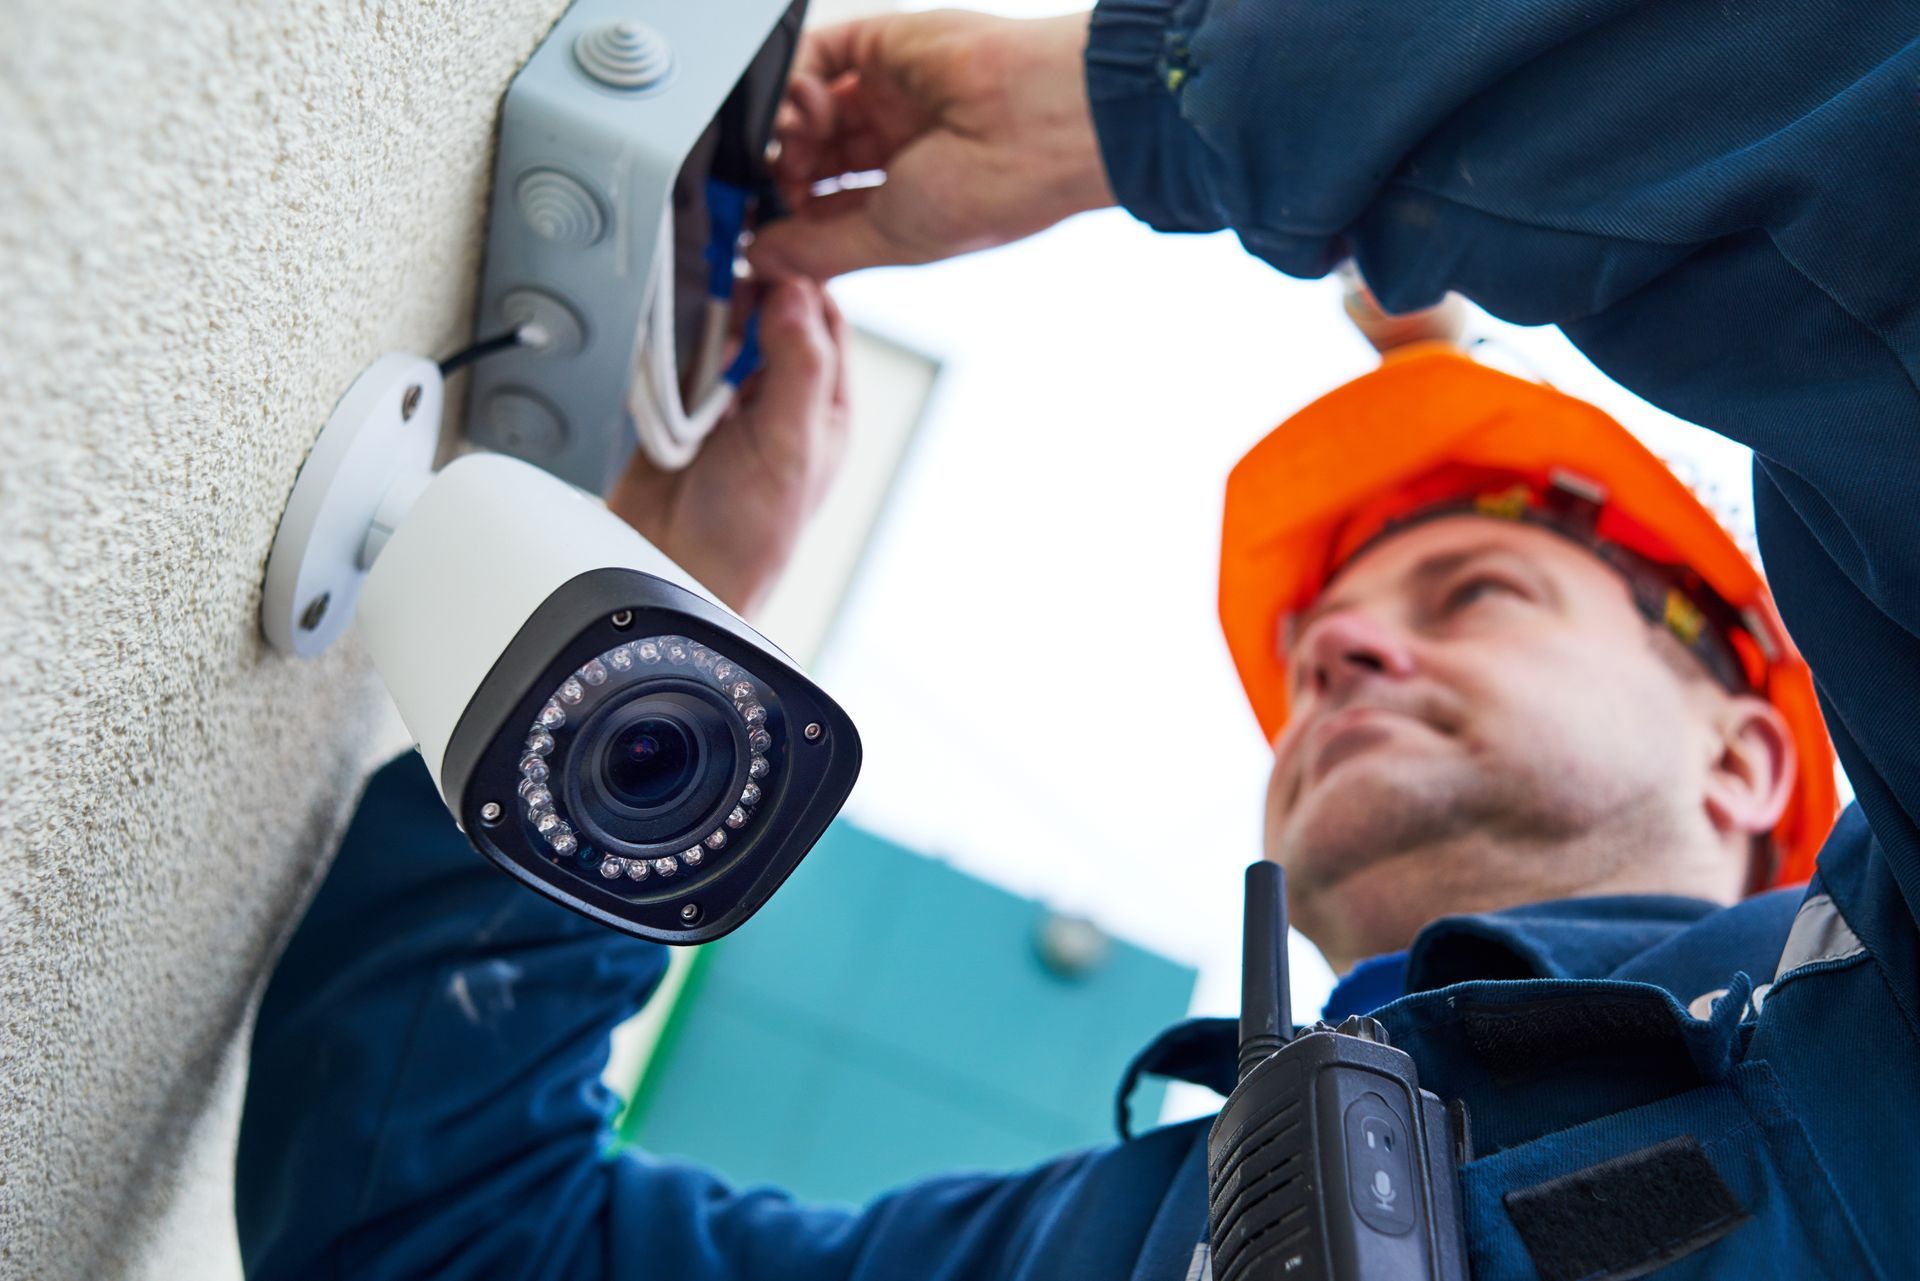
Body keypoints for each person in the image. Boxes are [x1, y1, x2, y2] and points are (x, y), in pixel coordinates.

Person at [237, 4, 1920, 1278]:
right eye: (1318, 635)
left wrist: (1147, 99)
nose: (1336, 655)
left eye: (1474, 592)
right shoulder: (1114, 1232)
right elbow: (438, 1231)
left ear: (1746, 749)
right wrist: (657, 634)